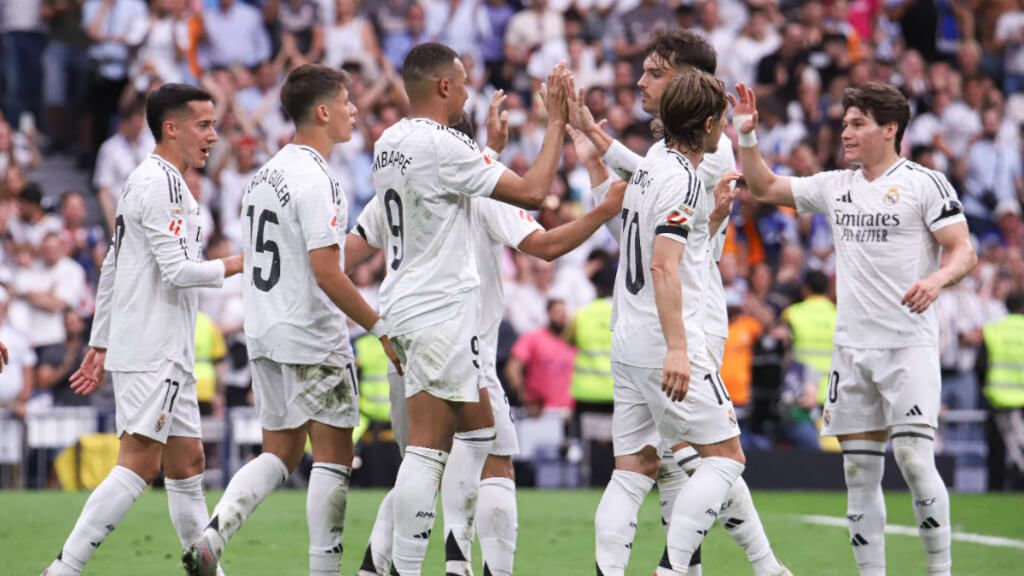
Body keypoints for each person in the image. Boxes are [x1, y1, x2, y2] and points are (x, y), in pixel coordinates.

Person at [348, 83, 621, 576]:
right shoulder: (481, 186)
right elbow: (544, 244)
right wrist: (603, 210)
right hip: (460, 342)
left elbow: (346, 254)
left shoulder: (399, 181)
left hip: (406, 335)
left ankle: (376, 565)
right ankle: (467, 565)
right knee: (489, 462)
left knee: (422, 464)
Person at [733, 80, 978, 576]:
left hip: (907, 347)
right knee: (859, 470)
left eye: (858, 123)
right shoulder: (835, 186)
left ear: (890, 129)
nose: (845, 132)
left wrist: (936, 280)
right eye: (845, 123)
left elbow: (963, 250)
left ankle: (941, 571)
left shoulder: (924, 183)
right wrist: (747, 135)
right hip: (852, 351)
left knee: (913, 458)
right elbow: (763, 187)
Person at [568, 29, 786, 576]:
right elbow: (666, 260)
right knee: (720, 458)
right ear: (708, 120)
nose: (643, 82)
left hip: (646, 328)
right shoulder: (682, 171)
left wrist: (591, 137)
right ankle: (688, 567)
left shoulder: (665, 161)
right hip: (674, 327)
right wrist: (677, 348)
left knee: (646, 466)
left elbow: (648, 236)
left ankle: (740, 566)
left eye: (655, 73)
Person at [182, 64, 400, 576]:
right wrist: (379, 327)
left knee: (279, 452)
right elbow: (326, 272)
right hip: (311, 333)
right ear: (322, 111)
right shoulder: (320, 179)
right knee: (333, 457)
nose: (354, 110)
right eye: (346, 102)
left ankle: (215, 533)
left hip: (264, 330)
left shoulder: (264, 174)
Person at [41, 83, 242, 576]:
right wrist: (242, 262)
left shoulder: (146, 180)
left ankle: (206, 571)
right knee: (139, 463)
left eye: (214, 125)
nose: (213, 136)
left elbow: (113, 264)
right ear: (171, 128)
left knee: (188, 462)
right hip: (155, 346)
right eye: (203, 125)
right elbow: (178, 271)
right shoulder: (163, 185)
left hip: (162, 344)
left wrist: (99, 341)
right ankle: (63, 569)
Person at [979, 291, 1024, 491]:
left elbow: (980, 365)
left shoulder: (993, 330)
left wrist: (987, 388)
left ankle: (995, 489)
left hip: (998, 399)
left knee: (997, 451)